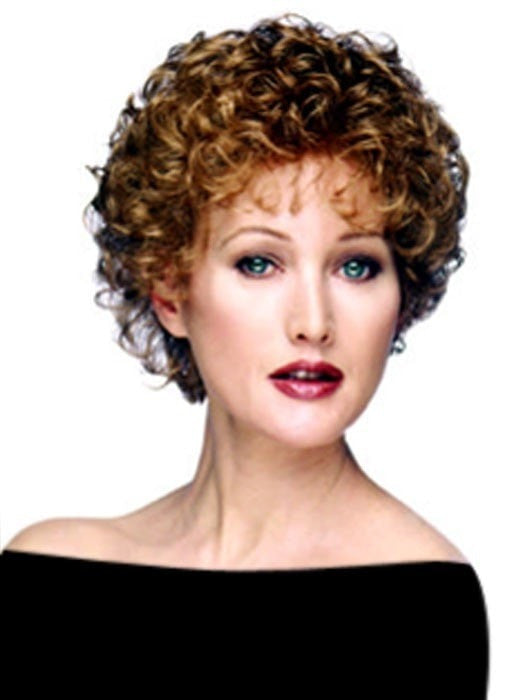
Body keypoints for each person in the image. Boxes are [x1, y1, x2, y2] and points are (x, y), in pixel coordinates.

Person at [1, 14, 489, 696]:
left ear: (401, 293)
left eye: (355, 267)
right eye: (259, 262)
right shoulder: (46, 574)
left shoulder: (421, 604)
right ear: (170, 291)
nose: (313, 323)